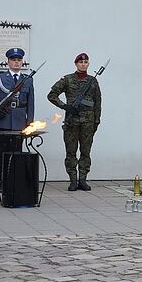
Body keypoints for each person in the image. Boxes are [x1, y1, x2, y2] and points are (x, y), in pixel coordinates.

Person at [0, 48, 35, 188]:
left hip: (20, 122)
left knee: (17, 153)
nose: (16, 62)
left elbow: (31, 102)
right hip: (2, 120)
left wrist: (29, 122)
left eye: (19, 60)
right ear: (8, 62)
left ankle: (14, 182)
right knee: (2, 153)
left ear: (22, 62)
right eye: (13, 60)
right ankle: (3, 182)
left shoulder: (27, 79)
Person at [47, 53, 102, 191]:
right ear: (76, 64)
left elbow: (98, 102)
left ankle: (82, 179)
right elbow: (52, 95)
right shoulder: (67, 79)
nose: (83, 64)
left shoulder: (93, 81)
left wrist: (97, 120)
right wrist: (65, 106)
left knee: (85, 151)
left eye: (86, 62)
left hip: (88, 122)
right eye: (80, 62)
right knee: (71, 151)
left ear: (88, 64)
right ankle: (72, 180)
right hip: (72, 121)